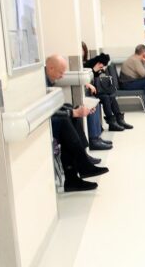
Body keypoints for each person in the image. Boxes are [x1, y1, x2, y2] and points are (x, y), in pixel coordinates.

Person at [45, 54, 108, 192]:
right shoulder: (41, 83)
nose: (62, 76)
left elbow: (54, 107)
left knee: (70, 110)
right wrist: (72, 113)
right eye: (60, 72)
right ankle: (82, 164)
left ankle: (75, 173)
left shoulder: (48, 80)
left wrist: (74, 111)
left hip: (50, 121)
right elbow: (47, 111)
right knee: (65, 119)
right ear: (50, 68)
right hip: (44, 125)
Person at [83, 52, 133, 131]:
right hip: (90, 92)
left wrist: (100, 71)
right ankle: (111, 123)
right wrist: (94, 70)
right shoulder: (86, 65)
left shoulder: (91, 63)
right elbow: (86, 79)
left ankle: (119, 119)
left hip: (97, 90)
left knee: (111, 97)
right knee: (106, 97)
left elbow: (99, 79)